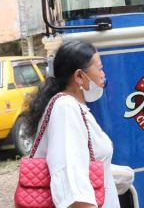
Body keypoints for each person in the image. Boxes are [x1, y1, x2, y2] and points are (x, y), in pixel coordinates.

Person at [24, 40, 133, 208]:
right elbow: (71, 184)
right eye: (100, 69)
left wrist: (115, 174)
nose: (103, 75)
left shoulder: (75, 107)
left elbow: (83, 165)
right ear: (79, 76)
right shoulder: (66, 108)